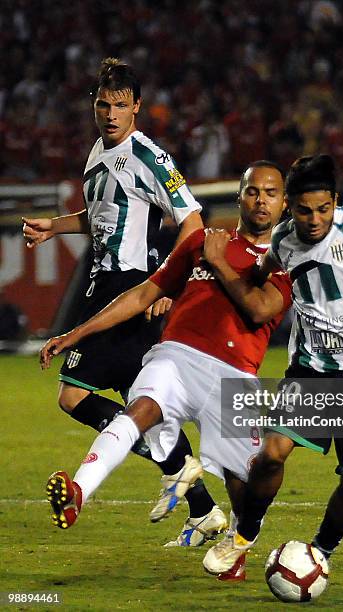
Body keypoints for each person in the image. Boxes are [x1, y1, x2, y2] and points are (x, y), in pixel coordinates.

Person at [40, 161, 292, 578]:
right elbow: (143, 294)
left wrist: (220, 264)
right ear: (239, 197)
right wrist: (76, 333)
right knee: (140, 408)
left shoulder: (283, 261)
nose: (260, 200)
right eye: (252, 191)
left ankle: (239, 543)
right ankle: (78, 491)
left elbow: (260, 308)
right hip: (176, 355)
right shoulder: (200, 243)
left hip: (234, 373)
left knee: (246, 479)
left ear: (283, 203)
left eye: (270, 193)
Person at [22, 57, 223, 546]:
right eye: (102, 104)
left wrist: (169, 286)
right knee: (145, 406)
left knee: (74, 394)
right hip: (105, 285)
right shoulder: (97, 152)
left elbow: (192, 222)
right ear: (94, 106)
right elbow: (100, 214)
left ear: (136, 107)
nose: (110, 113)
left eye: (119, 105)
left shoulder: (150, 156)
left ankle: (167, 471)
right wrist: (57, 225)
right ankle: (204, 510)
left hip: (129, 287)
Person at [203, 154, 343, 576]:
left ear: (335, 202)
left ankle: (320, 553)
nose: (314, 220)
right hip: (312, 370)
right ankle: (241, 537)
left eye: (323, 209)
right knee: (272, 454)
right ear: (290, 206)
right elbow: (264, 269)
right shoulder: (284, 239)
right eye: (305, 210)